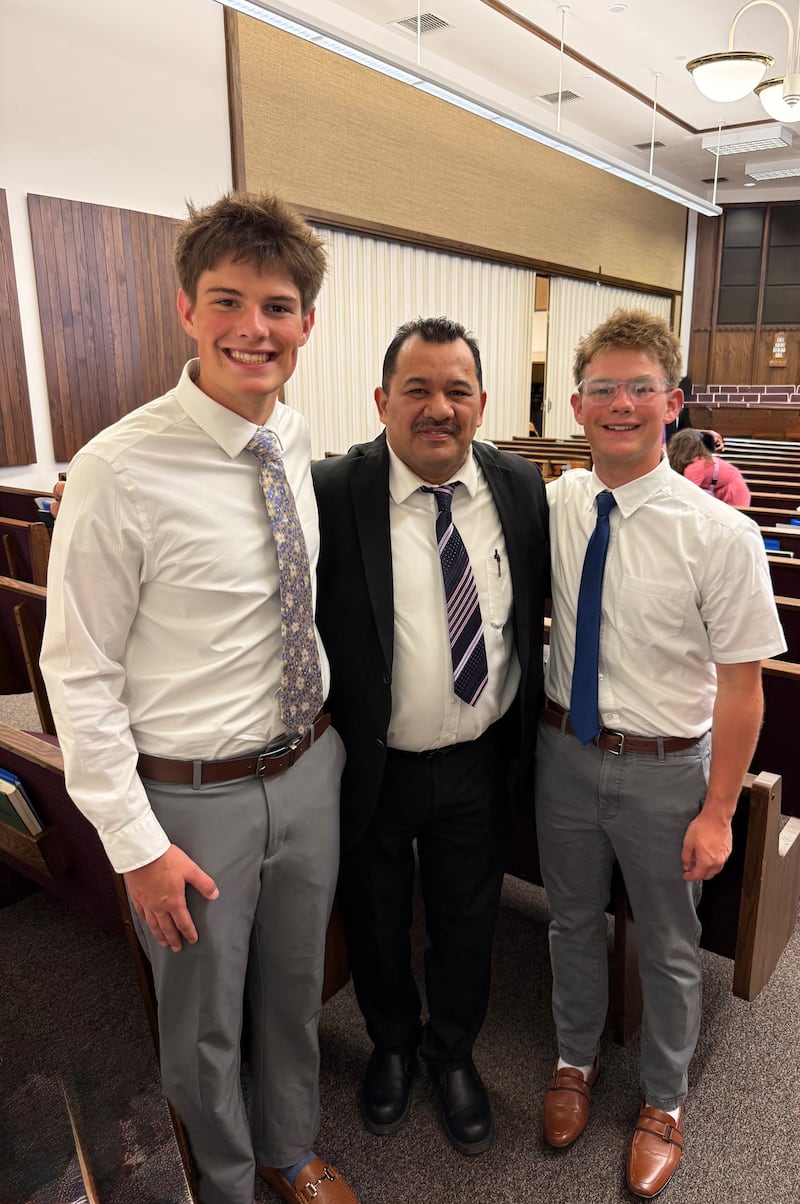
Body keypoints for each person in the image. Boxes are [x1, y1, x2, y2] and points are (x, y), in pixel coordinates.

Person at [40, 193, 358, 1204]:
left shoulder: (293, 445)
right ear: (186, 309)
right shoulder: (117, 468)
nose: (251, 329)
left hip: (307, 767)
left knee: (294, 994)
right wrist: (135, 844)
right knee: (203, 1021)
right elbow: (77, 673)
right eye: (227, 301)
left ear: (306, 322)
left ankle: (290, 1150)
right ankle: (222, 1183)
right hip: (191, 801)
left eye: (276, 306)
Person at [536, 309, 785, 1198]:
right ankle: (573, 1060)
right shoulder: (561, 501)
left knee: (670, 944)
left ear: (673, 403)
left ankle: (665, 1101)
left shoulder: (720, 533)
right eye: (602, 387)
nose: (621, 403)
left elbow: (744, 688)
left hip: (668, 768)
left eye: (641, 387)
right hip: (564, 751)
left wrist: (718, 811)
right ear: (576, 403)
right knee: (570, 920)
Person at [311, 317, 549, 1155]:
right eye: (417, 389)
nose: (437, 407)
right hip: (373, 763)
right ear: (382, 401)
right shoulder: (332, 492)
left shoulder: (520, 487)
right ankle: (392, 1045)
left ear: (483, 403)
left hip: (481, 760)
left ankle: (453, 1053)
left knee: (468, 918)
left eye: (456, 391)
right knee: (375, 916)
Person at [667, 429, 750, 506]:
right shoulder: (697, 460)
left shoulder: (695, 467)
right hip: (724, 488)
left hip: (733, 491)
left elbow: (686, 495)